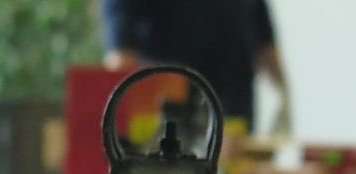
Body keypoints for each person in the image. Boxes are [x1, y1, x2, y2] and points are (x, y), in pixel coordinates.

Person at [99, 0, 288, 132]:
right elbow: (121, 62)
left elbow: (265, 45)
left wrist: (284, 101)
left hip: (235, 122)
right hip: (171, 133)